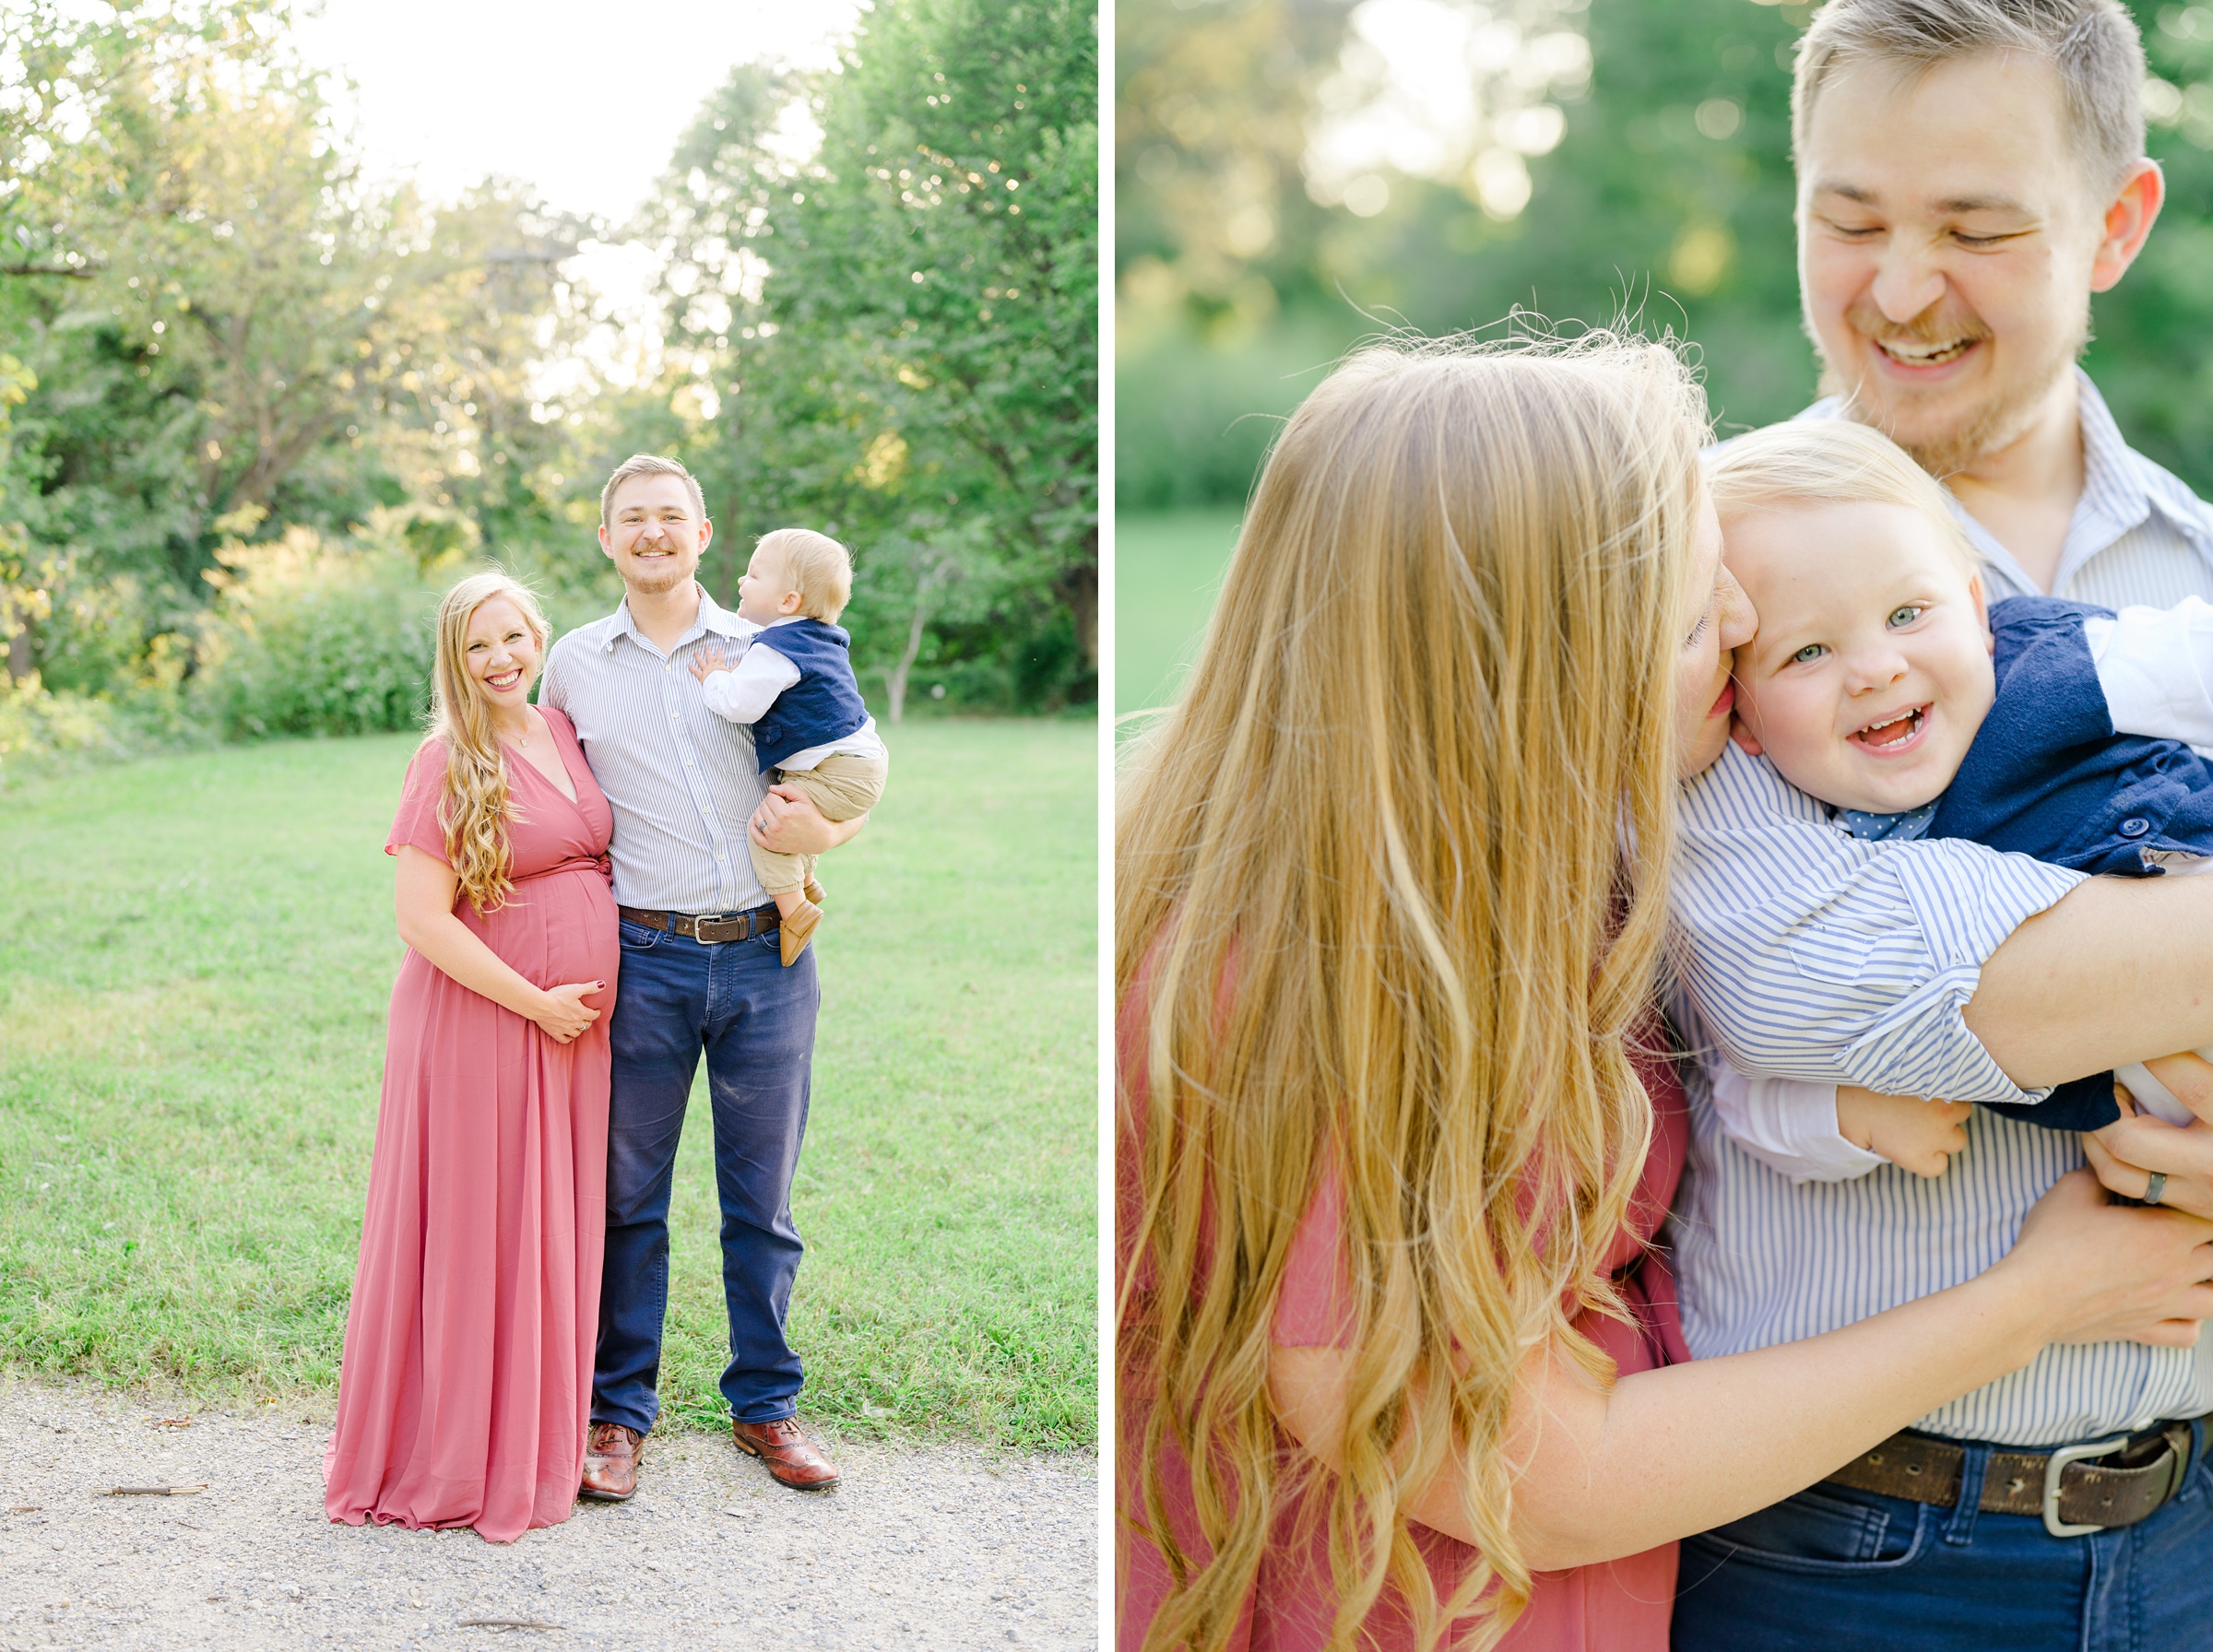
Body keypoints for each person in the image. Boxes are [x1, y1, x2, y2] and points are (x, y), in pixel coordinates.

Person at [1113, 333, 2213, 1652]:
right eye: (1698, 620)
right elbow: (1538, 1477)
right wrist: (2033, 1303)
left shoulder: (1558, 877)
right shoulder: (1301, 984)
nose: (1751, 631)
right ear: (1529, 673)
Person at [1663, 3, 2213, 1642]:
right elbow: (1802, 969)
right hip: (1841, 1549)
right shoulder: (1706, 571)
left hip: (2184, 1528)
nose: (1901, 290)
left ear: (2115, 224)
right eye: (1850, 221)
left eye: (1975, 230)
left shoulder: (2193, 582)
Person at [1694, 421, 2213, 1181]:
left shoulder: (2065, 667)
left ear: (1976, 610)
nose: (1875, 669)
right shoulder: (1810, 843)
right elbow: (1749, 1081)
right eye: (1807, 651)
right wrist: (1843, 1115)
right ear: (1740, 716)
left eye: (1907, 614)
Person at [538, 454, 864, 1499]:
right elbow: (537, 795)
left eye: (669, 517)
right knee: (628, 1198)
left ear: (704, 533)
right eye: (632, 519)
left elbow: (854, 769)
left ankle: (764, 1403)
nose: (652, 533)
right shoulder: (575, 665)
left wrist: (835, 828)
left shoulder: (772, 644)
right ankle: (616, 1412)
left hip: (768, 952)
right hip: (642, 957)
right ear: (606, 538)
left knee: (760, 1201)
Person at [325, 571, 618, 1543]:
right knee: (472, 1233)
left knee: (541, 1230)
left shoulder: (562, 731)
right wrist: (537, 1002)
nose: (499, 659)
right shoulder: (447, 756)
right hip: (482, 1025)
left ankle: (530, 1442)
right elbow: (419, 918)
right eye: (476, 647)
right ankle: (447, 1457)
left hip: (570, 1037)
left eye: (511, 637)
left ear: (539, 636)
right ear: (455, 663)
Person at [685, 527, 888, 968]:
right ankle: (806, 884)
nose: (742, 581)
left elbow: (738, 704)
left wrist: (714, 677)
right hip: (859, 764)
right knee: (789, 803)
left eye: (754, 575)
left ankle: (794, 911)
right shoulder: (819, 638)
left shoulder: (776, 649)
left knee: (768, 828)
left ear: (788, 602)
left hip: (836, 770)